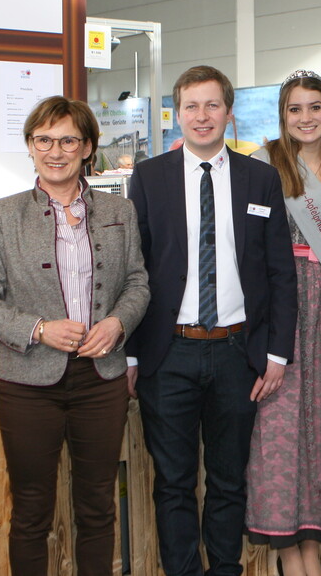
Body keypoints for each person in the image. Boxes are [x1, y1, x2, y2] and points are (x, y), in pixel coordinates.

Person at [0, 96, 150, 576]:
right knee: (30, 511)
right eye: (43, 140)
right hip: (28, 386)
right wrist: (39, 329)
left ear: (87, 147)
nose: (56, 150)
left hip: (100, 380)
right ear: (30, 147)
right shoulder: (3, 216)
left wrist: (117, 323)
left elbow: (137, 283)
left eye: (68, 139)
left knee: (96, 506)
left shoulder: (118, 210)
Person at [126, 66, 298, 576]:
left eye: (212, 105)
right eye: (191, 107)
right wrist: (133, 353)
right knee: (174, 483)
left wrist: (276, 353)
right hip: (167, 354)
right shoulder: (150, 177)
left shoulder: (260, 178)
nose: (202, 117)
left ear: (229, 111)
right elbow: (134, 269)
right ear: (177, 115)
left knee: (228, 481)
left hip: (236, 354)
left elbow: (279, 272)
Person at [245, 70, 321, 576]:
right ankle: (291, 556)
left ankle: (310, 549)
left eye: (315, 107)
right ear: (282, 115)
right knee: (278, 428)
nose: (306, 117)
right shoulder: (262, 163)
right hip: (281, 305)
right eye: (295, 108)